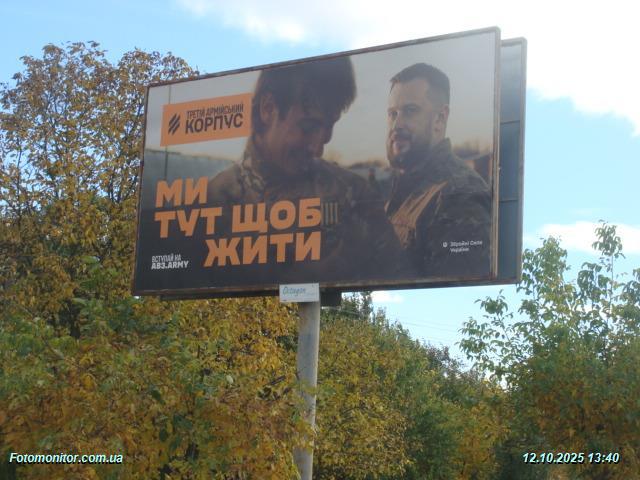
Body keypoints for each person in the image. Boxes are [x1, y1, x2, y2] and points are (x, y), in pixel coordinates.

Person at [207, 56, 406, 286]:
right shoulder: (213, 202)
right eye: (308, 127)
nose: (318, 148)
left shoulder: (355, 195)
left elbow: (401, 272)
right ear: (268, 108)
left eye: (329, 128)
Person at [385, 63, 492, 278]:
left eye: (410, 111)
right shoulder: (405, 187)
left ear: (440, 118)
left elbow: (457, 289)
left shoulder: (460, 195)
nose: (396, 124)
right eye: (392, 113)